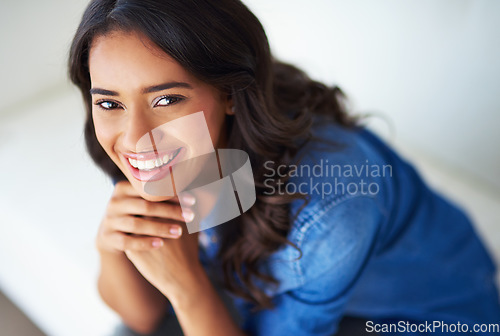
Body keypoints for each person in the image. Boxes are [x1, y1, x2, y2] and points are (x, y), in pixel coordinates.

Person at [68, 0, 500, 335]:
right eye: (109, 102)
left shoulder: (329, 213)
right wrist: (111, 243)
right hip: (303, 293)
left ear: (230, 92)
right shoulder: (152, 153)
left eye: (166, 99)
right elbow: (141, 319)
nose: (133, 135)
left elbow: (175, 304)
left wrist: (188, 288)